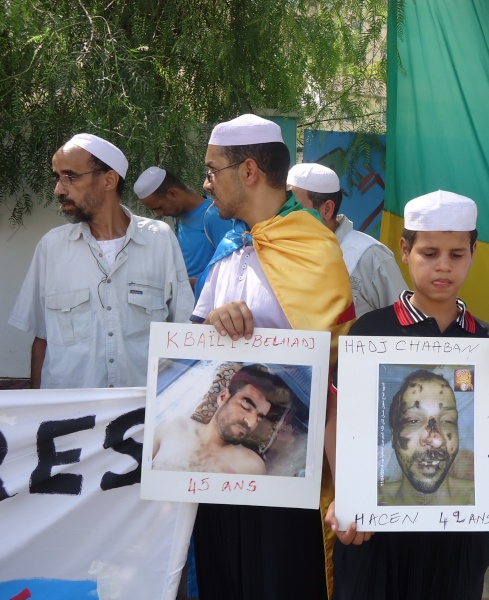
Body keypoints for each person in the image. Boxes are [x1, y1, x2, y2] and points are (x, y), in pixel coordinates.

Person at [326, 190, 489, 600]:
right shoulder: (369, 331)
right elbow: (336, 417)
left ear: (474, 252)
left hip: (458, 539)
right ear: (405, 251)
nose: (443, 266)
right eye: (429, 253)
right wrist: (348, 494)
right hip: (376, 537)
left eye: (457, 254)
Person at [190, 114, 355, 600]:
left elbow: (332, 369)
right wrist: (216, 322)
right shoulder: (226, 248)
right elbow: (196, 349)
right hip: (218, 475)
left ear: (248, 172)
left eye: (212, 169)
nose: (206, 183)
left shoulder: (313, 248)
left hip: (288, 473)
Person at [7, 133, 193, 389]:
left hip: (140, 416)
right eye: (57, 178)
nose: (58, 189)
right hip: (69, 418)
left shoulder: (159, 241)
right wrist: (36, 409)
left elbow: (182, 330)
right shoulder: (52, 247)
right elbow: (42, 337)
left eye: (70, 177)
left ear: (109, 179)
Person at [287, 162, 406, 317]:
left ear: (327, 209)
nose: (285, 214)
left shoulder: (371, 256)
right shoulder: (276, 249)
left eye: (294, 206)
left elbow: (404, 322)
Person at [152, 364, 292, 475]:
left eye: (259, 418)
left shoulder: (250, 466)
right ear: (223, 397)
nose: (251, 423)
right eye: (245, 407)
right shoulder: (174, 427)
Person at [379, 368, 474, 506]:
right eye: (413, 421)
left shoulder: (488, 502)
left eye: (448, 421)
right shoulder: (366, 503)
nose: (436, 440)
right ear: (394, 436)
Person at [133, 167, 234, 291]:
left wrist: (185, 284)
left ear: (172, 193)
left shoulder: (214, 216)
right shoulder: (179, 217)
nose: (159, 213)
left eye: (159, 207)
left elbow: (233, 269)